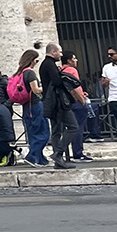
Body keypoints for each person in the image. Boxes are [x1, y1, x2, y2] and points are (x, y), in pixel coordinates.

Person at [39, 41, 80, 169]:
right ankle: (59, 153)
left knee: (56, 131)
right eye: (60, 52)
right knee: (73, 127)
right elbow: (56, 82)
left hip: (51, 101)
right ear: (53, 52)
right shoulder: (50, 65)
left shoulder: (45, 65)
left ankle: (58, 160)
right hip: (58, 102)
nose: (61, 55)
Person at [13, 49, 49, 166]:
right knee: (43, 133)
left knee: (33, 133)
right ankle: (33, 157)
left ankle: (40, 159)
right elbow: (35, 90)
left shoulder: (21, 73)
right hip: (35, 105)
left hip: (26, 107)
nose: (36, 62)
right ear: (32, 60)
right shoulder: (30, 73)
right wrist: (46, 87)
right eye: (36, 60)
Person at [62, 53, 92, 162]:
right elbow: (74, 87)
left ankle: (72, 153)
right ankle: (78, 153)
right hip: (76, 102)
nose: (76, 60)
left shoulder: (62, 70)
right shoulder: (72, 70)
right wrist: (82, 100)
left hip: (68, 102)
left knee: (72, 127)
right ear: (69, 61)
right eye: (74, 58)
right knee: (78, 127)